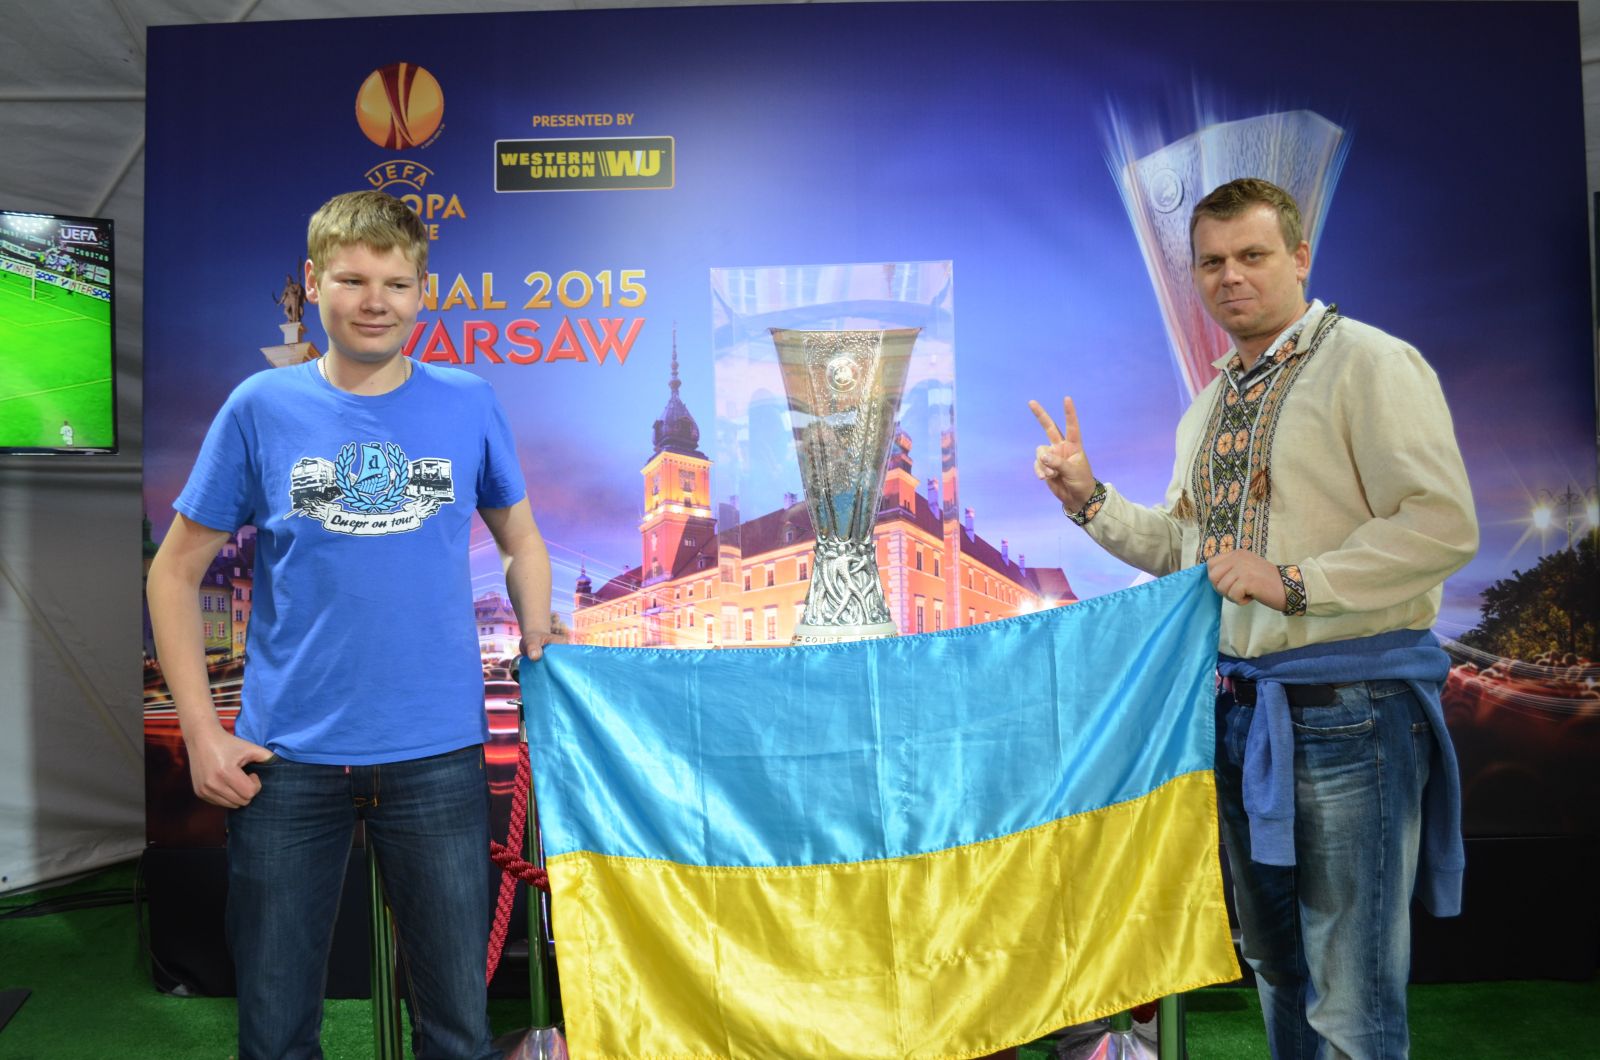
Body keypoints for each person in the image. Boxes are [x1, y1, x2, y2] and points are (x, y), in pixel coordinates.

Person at [1030, 177, 1477, 1059]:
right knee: (1275, 964)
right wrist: (1089, 500)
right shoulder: (1208, 407)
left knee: (1350, 990)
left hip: (1355, 708)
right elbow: (1190, 553)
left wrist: (1296, 581)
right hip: (1242, 714)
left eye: (1252, 255)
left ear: (1300, 257)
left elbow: (1441, 524)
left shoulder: (1372, 364)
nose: (1230, 276)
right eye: (1211, 262)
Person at [147, 189, 558, 1060]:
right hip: (286, 762)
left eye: (397, 283)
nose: (376, 302)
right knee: (274, 1032)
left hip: (438, 754)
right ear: (313, 282)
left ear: (423, 292)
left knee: (457, 1031)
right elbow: (173, 571)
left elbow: (521, 539)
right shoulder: (259, 407)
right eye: (353, 280)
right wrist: (201, 730)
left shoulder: (469, 402)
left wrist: (535, 628)